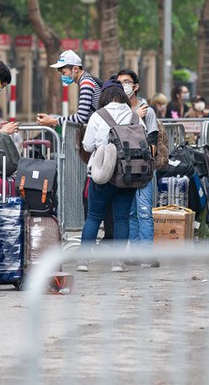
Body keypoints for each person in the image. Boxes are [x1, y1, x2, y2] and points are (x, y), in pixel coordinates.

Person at [78, 81, 143, 273]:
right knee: (122, 219)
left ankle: (83, 261)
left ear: (104, 97)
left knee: (94, 217)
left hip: (103, 173)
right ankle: (118, 262)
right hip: (128, 174)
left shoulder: (98, 116)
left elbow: (88, 146)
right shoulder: (134, 116)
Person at [117, 69, 159, 268]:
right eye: (120, 82)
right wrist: (133, 117)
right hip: (125, 168)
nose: (124, 86)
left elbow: (152, 143)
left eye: (127, 82)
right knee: (131, 212)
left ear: (136, 86)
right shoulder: (118, 110)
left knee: (143, 210)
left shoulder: (147, 111)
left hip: (143, 167)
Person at [37, 50, 101, 128]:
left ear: (75, 69)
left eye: (63, 73)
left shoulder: (86, 83)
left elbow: (81, 118)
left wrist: (54, 121)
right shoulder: (88, 80)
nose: (62, 76)